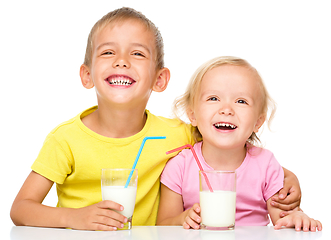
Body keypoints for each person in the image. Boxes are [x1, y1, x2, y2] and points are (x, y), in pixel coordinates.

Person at [10, 8, 301, 231]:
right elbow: (21, 209)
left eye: (137, 53)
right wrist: (73, 218)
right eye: (108, 52)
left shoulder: (176, 134)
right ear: (87, 75)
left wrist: (288, 178)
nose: (121, 60)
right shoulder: (66, 140)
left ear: (159, 80)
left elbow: (236, 152)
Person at [157, 56, 322, 232]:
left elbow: (283, 219)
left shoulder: (266, 165)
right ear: (193, 115)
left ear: (258, 122)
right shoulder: (179, 167)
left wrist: (297, 217)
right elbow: (162, 226)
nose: (226, 109)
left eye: (241, 101)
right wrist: (182, 219)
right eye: (213, 98)